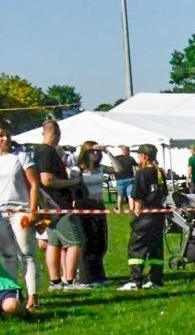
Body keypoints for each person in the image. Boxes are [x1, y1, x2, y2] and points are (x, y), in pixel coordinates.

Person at [0, 120, 41, 313]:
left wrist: (33, 210)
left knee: (26, 253)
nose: (5, 138)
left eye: (7, 134)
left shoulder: (21, 156)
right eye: (0, 135)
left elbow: (34, 184)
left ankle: (33, 296)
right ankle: (13, 293)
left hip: (20, 210)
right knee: (7, 255)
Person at [32, 119, 87, 290]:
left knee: (54, 243)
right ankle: (70, 281)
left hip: (50, 206)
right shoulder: (47, 152)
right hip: (59, 204)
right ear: (57, 133)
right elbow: (47, 180)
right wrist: (73, 182)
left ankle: (55, 282)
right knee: (75, 242)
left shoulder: (39, 151)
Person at [121, 144, 169, 290]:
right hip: (158, 215)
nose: (138, 158)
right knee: (155, 247)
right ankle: (156, 280)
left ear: (144, 157)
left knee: (137, 247)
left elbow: (138, 196)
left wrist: (136, 212)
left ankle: (135, 280)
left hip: (145, 216)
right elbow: (164, 194)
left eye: (139, 156)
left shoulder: (142, 173)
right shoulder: (159, 172)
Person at [76, 145, 111, 286]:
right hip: (85, 207)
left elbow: (119, 169)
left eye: (97, 151)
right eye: (92, 151)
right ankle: (86, 277)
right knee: (87, 242)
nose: (95, 153)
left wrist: (107, 151)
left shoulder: (100, 168)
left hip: (99, 206)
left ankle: (99, 275)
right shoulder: (77, 169)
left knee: (101, 242)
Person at [111, 145, 136, 213]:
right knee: (130, 195)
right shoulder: (131, 158)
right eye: (129, 150)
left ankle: (120, 210)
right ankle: (132, 210)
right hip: (129, 179)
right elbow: (136, 167)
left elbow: (113, 165)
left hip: (119, 179)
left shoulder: (116, 158)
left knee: (120, 195)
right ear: (127, 150)